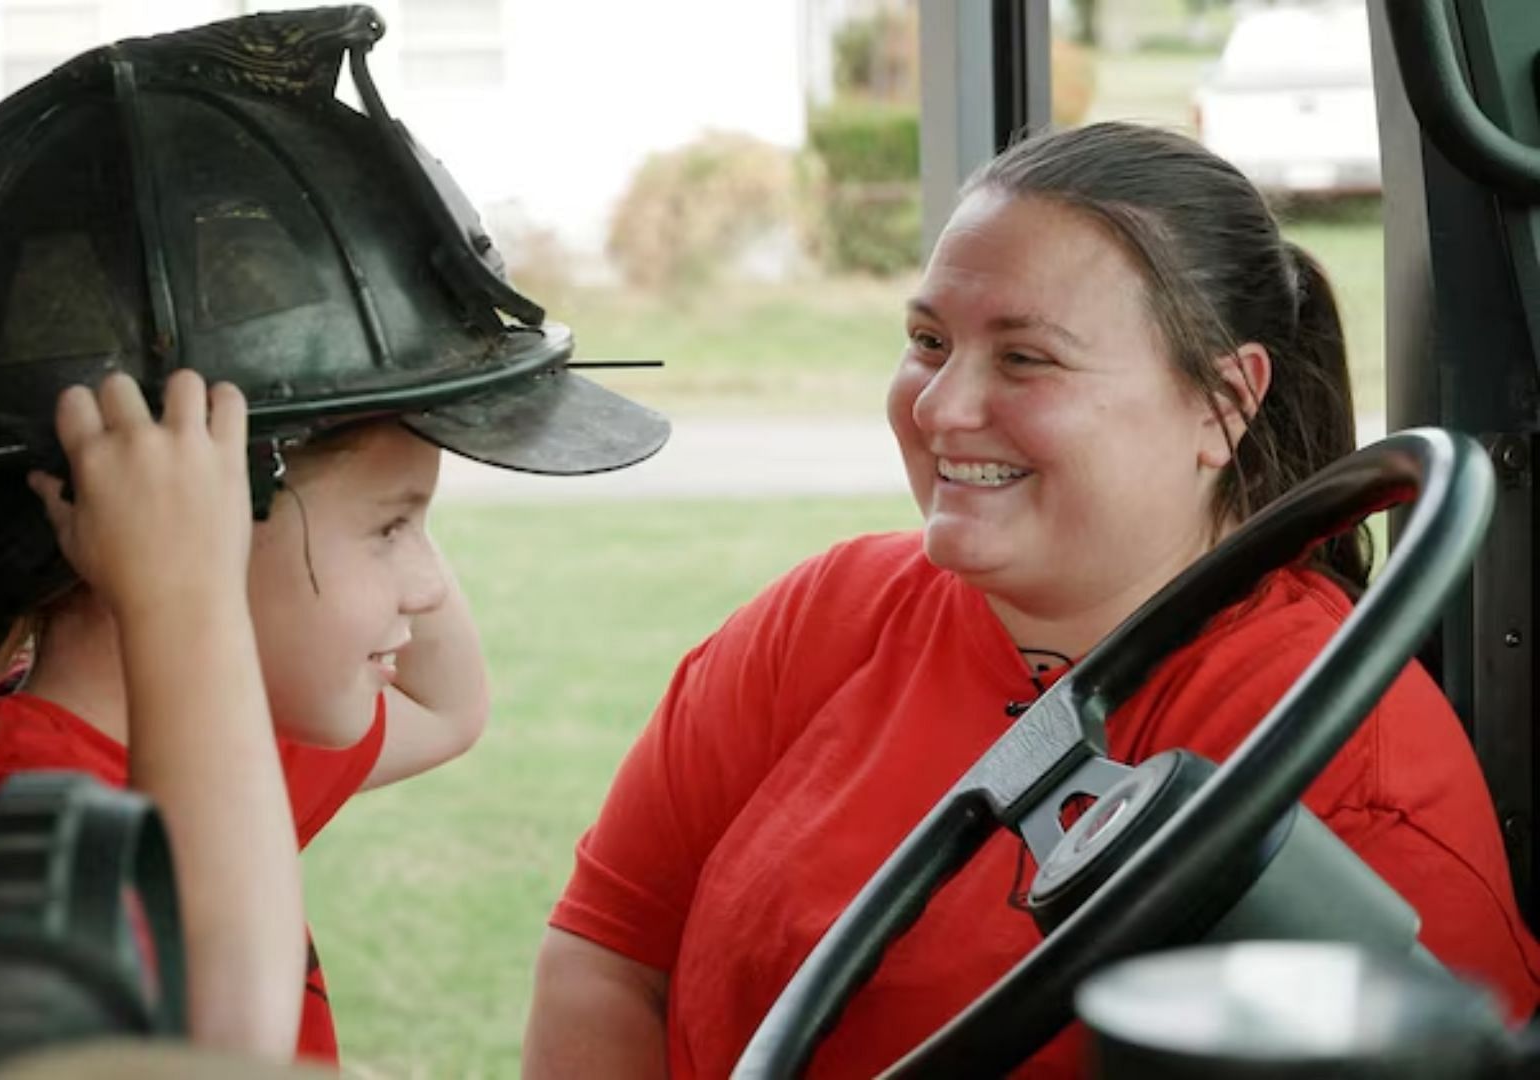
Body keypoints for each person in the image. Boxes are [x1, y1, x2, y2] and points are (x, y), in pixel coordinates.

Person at [0, 7, 667, 1068]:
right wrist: (183, 592)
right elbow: (213, 1041)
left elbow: (447, 708)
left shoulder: (214, 742)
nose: (426, 584)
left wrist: (402, 412)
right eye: (389, 531)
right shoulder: (14, 808)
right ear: (184, 525)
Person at [522, 122, 1540, 1078]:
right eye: (928, 340)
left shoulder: (1346, 764)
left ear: (1224, 402)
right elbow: (609, 955)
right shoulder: (825, 617)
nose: (940, 404)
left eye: (1024, 358)